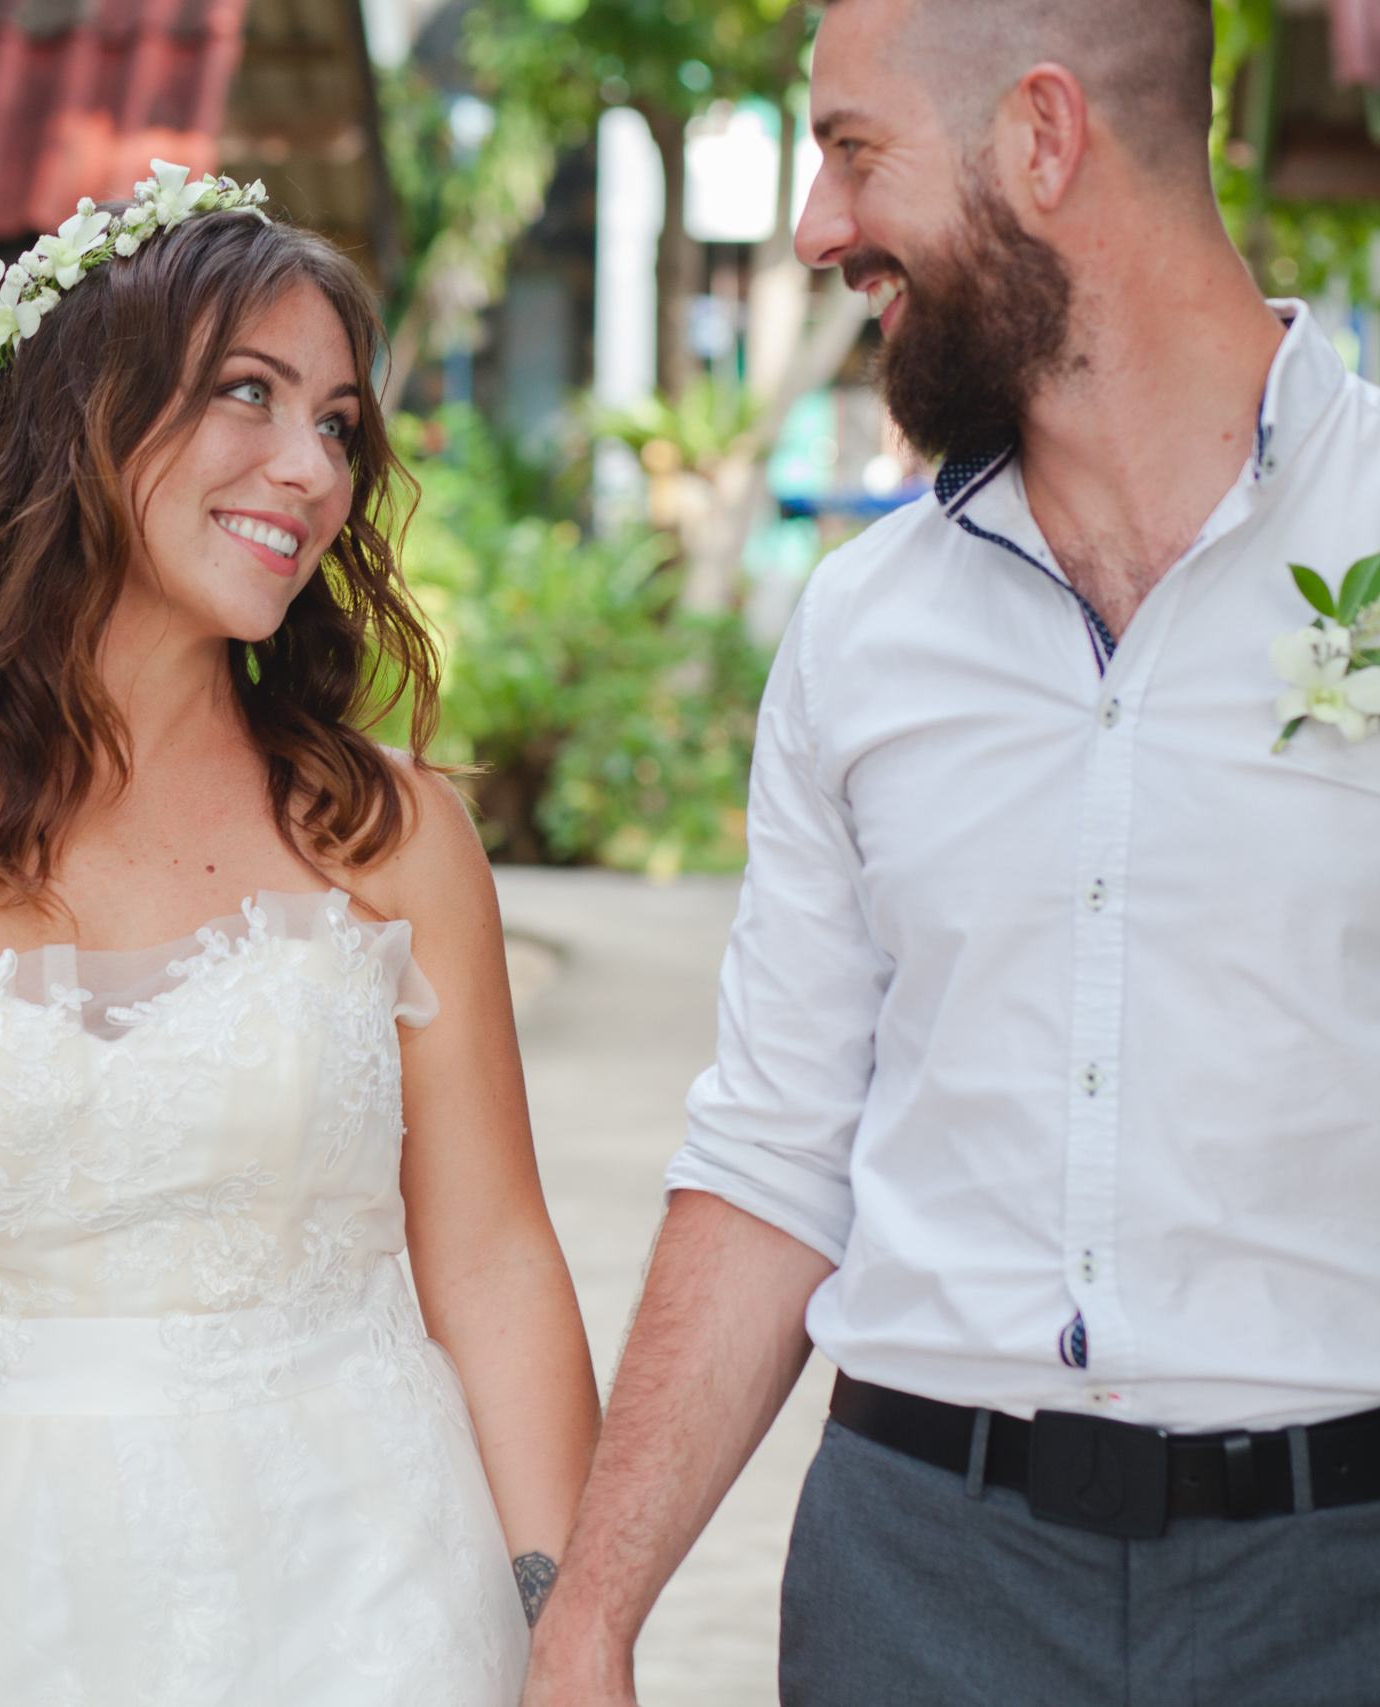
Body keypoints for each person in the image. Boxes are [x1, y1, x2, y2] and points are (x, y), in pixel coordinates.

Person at [523, 2, 1380, 1704]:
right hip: (922, 1590)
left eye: (854, 153)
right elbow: (774, 1154)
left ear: (1042, 138)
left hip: (1336, 1592)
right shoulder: (859, 631)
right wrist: (591, 1620)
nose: (817, 230)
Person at [0, 164, 601, 1706]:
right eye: (249, 393)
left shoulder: (391, 835)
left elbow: (498, 1268)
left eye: (338, 424)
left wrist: (570, 1642)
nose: (309, 468)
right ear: (81, 411)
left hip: (378, 1608)